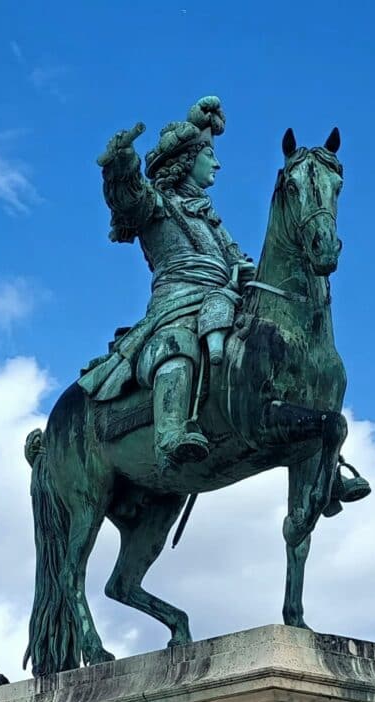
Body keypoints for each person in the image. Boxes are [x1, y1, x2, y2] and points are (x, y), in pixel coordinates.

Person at [79, 96, 255, 466]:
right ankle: (171, 432)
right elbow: (128, 198)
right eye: (210, 155)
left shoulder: (210, 217)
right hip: (177, 303)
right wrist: (122, 163)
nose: (218, 164)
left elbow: (237, 258)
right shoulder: (156, 203)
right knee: (177, 344)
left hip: (225, 296)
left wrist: (251, 272)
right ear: (187, 160)